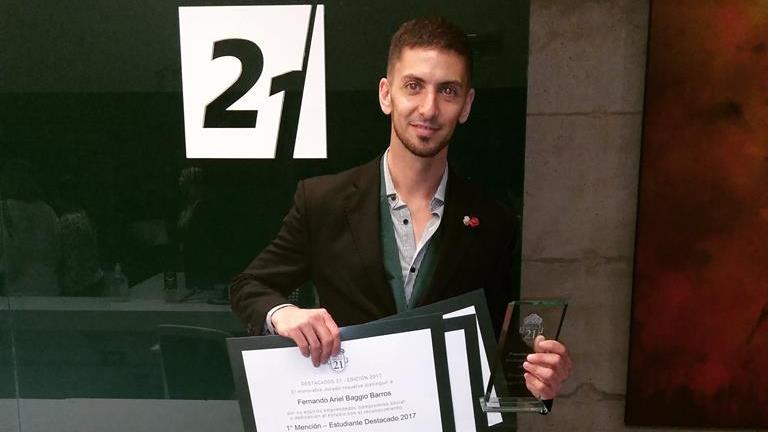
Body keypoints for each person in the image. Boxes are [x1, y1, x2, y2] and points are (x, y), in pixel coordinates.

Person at [230, 17, 571, 400]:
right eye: (414, 86)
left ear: (466, 105)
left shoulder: (494, 221)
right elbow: (248, 286)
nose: (429, 108)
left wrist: (537, 377)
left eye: (448, 91)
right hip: (349, 412)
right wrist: (284, 314)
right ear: (386, 94)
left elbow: (501, 345)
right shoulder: (323, 201)